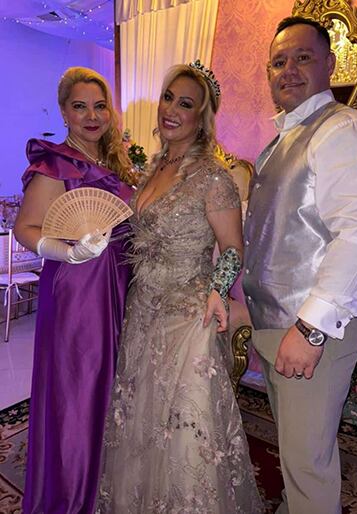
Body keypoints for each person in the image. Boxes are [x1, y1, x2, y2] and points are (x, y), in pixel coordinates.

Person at [97, 61, 263, 513]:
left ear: (201, 118)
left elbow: (233, 249)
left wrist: (218, 291)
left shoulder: (213, 176)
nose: (171, 109)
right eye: (168, 98)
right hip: (143, 309)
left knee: (185, 435)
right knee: (139, 421)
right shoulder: (154, 168)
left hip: (188, 317)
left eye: (185, 104)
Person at [242, 16, 357, 514]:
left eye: (303, 57)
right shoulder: (281, 139)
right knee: (297, 454)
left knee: (307, 466)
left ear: (329, 64)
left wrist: (310, 330)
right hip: (277, 323)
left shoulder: (343, 129)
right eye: (278, 61)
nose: (288, 70)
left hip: (313, 328)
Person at [13, 66, 135, 513]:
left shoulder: (117, 163)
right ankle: (71, 497)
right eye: (80, 107)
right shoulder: (55, 162)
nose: (92, 116)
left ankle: (104, 490)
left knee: (112, 387)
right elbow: (24, 227)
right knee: (78, 390)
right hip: (76, 290)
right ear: (64, 112)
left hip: (118, 286)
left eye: (100, 106)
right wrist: (67, 252)